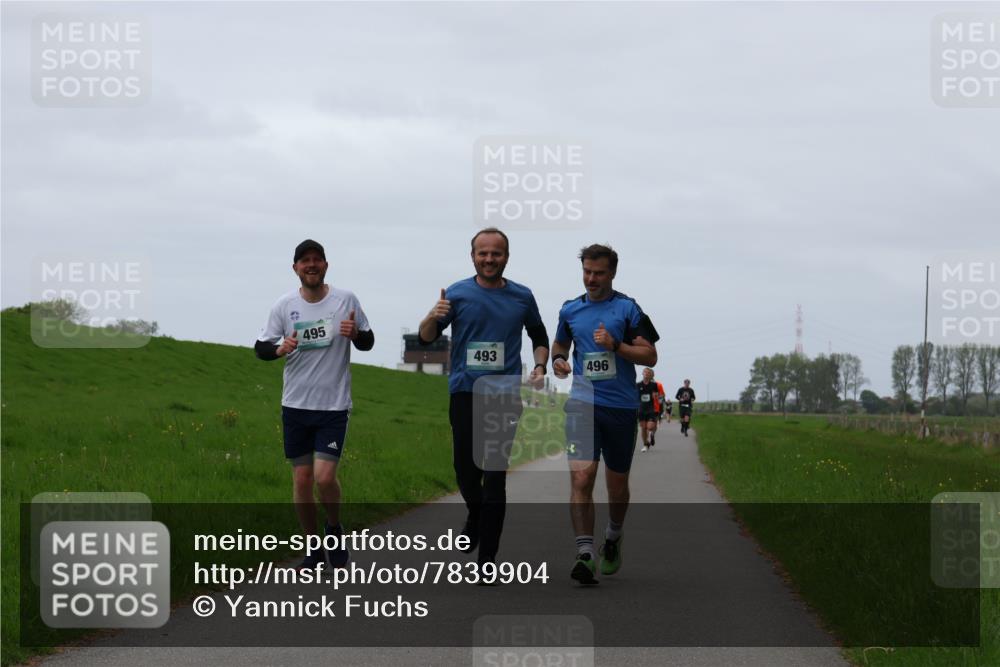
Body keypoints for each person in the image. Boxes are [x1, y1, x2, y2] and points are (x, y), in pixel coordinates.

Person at [418, 227, 548, 568]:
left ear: (506, 257)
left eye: (496, 253)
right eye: (483, 253)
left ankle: (487, 559)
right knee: (465, 471)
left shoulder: (522, 296)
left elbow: (539, 335)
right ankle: (475, 514)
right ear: (473, 256)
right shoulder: (457, 293)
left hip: (504, 395)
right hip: (465, 392)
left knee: (494, 477)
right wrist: (432, 314)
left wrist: (540, 365)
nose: (489, 259)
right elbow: (427, 337)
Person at [255, 239, 375, 570]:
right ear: (295, 268)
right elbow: (261, 347)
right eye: (304, 260)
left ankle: (333, 528)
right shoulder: (284, 305)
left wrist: (355, 334)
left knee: (323, 478)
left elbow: (368, 340)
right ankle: (312, 548)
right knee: (302, 480)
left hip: (333, 406)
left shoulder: (345, 300)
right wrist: (279, 349)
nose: (311, 265)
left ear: (325, 265)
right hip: (295, 405)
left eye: (317, 260)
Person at [552, 244, 659, 585]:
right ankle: (585, 554)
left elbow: (650, 355)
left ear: (612, 273)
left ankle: (612, 537)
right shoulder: (570, 309)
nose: (591, 279)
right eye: (587, 272)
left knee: (617, 487)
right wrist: (558, 361)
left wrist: (617, 346)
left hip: (621, 408)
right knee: (582, 479)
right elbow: (560, 345)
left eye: (599, 273)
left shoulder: (628, 309)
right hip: (582, 404)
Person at [637, 368, 660, 453]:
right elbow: (635, 395)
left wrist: (655, 395)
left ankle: (651, 434)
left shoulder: (654, 385)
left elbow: (656, 395)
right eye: (645, 372)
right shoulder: (638, 385)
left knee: (649, 427)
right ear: (642, 373)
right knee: (643, 428)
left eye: (648, 372)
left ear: (650, 375)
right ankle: (645, 444)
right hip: (641, 409)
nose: (646, 374)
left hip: (650, 409)